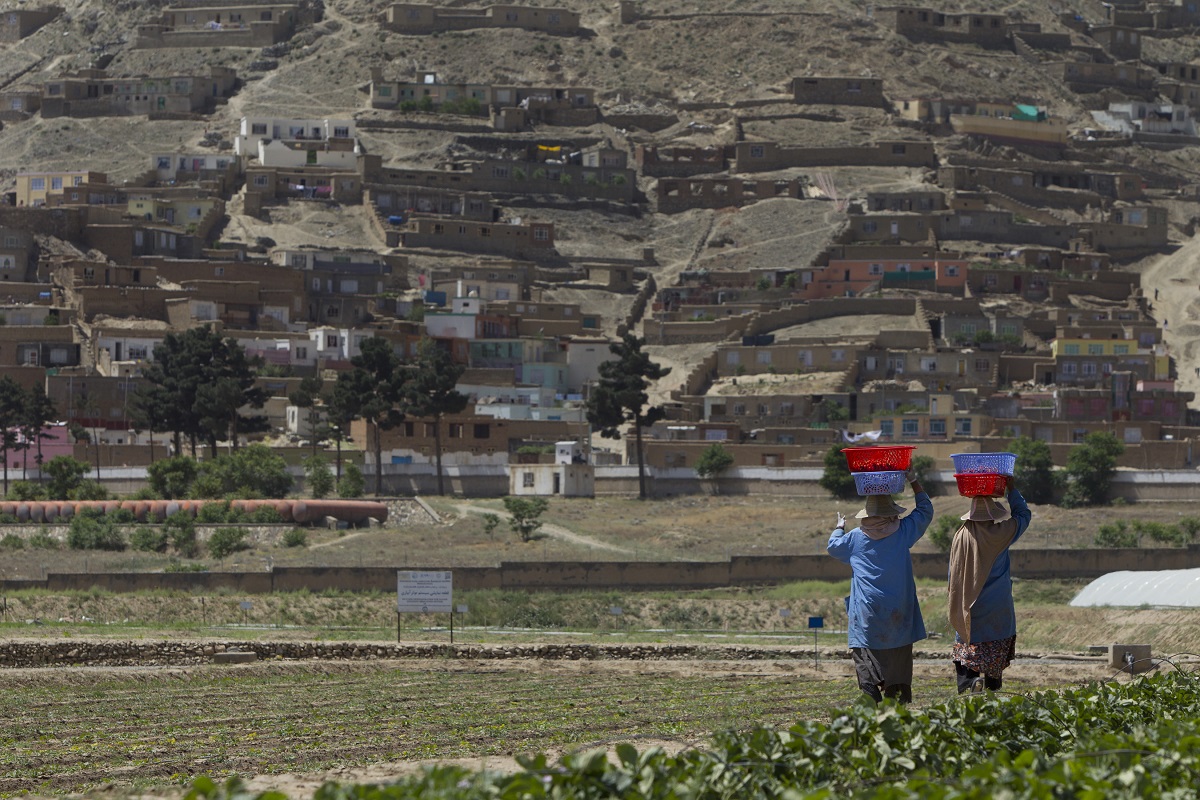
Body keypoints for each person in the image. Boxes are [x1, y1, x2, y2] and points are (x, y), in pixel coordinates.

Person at [828, 471, 933, 703]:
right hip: (899, 609)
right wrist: (914, 480)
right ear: (892, 513)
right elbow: (926, 511)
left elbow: (833, 546)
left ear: (867, 515)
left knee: (863, 648)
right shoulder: (903, 531)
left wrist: (839, 527)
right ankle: (897, 697)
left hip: (868, 609)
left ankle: (870, 691)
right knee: (899, 654)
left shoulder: (854, 538)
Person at [946, 477, 1032, 694]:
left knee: (968, 650)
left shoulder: (961, 535)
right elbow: (1024, 515)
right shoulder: (1002, 533)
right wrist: (1012, 487)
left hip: (969, 605)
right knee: (994, 650)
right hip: (997, 606)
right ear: (994, 516)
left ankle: (970, 684)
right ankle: (992, 687)